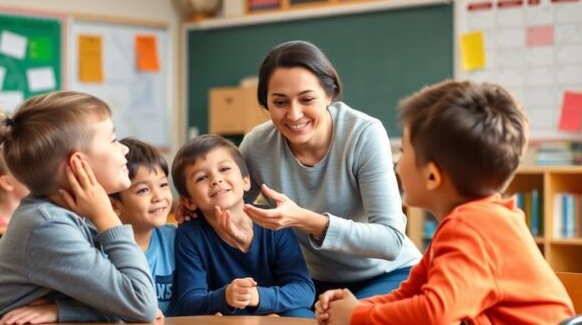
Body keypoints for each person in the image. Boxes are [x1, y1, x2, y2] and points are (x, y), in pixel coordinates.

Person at [315, 80, 575, 324]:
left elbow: (434, 313)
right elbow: (409, 294)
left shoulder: (470, 228)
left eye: (404, 151)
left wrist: (357, 317)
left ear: (432, 176)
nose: (397, 162)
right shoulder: (474, 219)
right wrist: (355, 308)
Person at [205, 40, 421, 298]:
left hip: (387, 274)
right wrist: (196, 206)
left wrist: (304, 219)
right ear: (266, 103)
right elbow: (231, 207)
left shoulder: (363, 134)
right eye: (280, 102)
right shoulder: (257, 144)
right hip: (309, 280)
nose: (294, 115)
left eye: (306, 99)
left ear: (329, 94)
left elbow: (391, 241)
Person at [0, 91, 158, 325]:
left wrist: (59, 310)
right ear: (78, 164)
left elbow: (131, 304)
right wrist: (107, 217)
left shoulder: (77, 215)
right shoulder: (46, 226)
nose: (124, 149)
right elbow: (142, 303)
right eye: (113, 140)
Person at [172, 134, 315, 318]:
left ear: (246, 180)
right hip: (226, 317)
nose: (216, 180)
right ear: (189, 201)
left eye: (224, 169)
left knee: (300, 314)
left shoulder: (273, 221)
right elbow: (189, 301)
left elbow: (304, 291)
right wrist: (225, 297)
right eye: (201, 178)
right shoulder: (190, 234)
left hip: (277, 310)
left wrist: (258, 298)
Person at [109, 137, 176, 316]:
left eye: (163, 185)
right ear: (115, 205)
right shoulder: (103, 250)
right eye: (143, 190)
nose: (158, 197)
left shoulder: (177, 239)